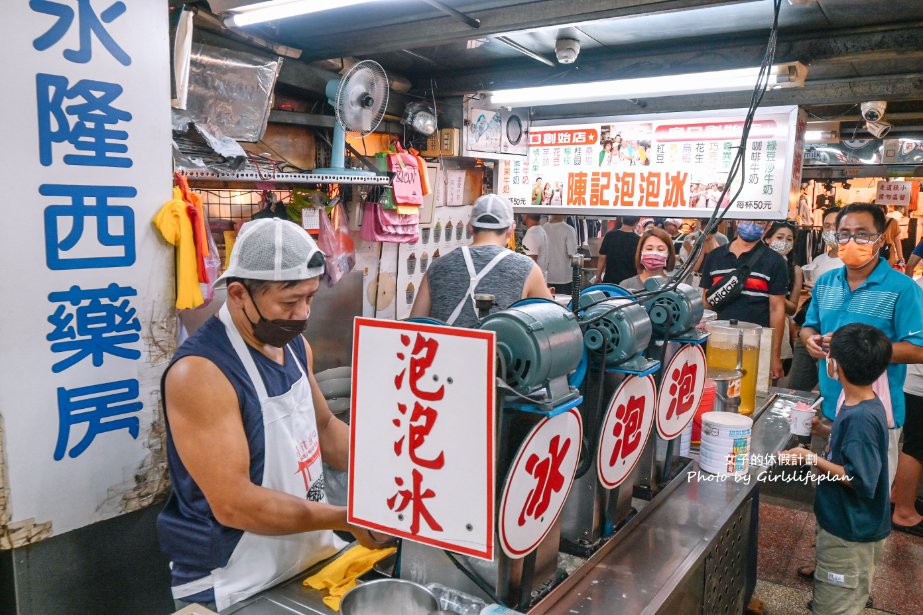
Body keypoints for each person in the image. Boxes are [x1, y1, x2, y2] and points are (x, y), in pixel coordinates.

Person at [158, 218, 390, 612]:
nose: (302, 315)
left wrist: (397, 473)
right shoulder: (201, 373)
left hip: (305, 557)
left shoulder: (296, 346)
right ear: (238, 294)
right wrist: (347, 517)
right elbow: (234, 503)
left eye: (310, 298)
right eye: (288, 302)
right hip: (234, 582)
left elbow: (326, 429)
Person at [801, 203, 923, 489]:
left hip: (877, 412)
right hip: (832, 406)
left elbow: (918, 349)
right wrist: (809, 340)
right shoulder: (825, 282)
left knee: (868, 492)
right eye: (843, 233)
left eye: (862, 234)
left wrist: (856, 348)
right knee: (831, 490)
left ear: (880, 239)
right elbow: (810, 326)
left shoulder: (903, 288)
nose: (851, 241)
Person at [779, 323, 892, 615]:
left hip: (850, 531)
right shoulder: (863, 402)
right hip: (849, 523)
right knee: (842, 590)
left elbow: (860, 478)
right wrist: (822, 430)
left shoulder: (860, 418)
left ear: (834, 365)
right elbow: (854, 448)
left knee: (837, 603)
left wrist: (810, 458)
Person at [411, 194, 551, 327]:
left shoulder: (437, 267)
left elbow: (413, 324)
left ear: (470, 227)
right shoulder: (526, 268)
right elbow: (553, 320)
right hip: (500, 351)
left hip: (444, 351)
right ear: (511, 229)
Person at [699, 219, 788, 380]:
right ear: (738, 221)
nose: (752, 225)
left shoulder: (775, 261)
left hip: (755, 342)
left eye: (760, 222)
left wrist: (775, 356)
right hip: (718, 341)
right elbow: (706, 303)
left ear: (767, 227)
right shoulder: (714, 257)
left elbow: (777, 309)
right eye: (748, 219)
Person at [787, 207, 841, 392]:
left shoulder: (851, 263)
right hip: (812, 329)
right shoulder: (819, 259)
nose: (830, 231)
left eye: (835, 226)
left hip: (835, 334)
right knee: (795, 388)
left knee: (832, 387)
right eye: (826, 226)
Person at [892, 277, 923, 536]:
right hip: (919, 382)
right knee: (916, 446)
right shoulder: (915, 287)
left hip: (913, 379)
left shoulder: (915, 285)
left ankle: (899, 495)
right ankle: (904, 511)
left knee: (913, 443)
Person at [763, 221, 803, 377]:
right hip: (754, 321)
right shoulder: (757, 263)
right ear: (768, 239)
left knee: (772, 375)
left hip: (779, 327)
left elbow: (793, 307)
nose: (784, 243)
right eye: (779, 237)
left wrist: (774, 294)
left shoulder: (795, 270)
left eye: (789, 239)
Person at [619, 227, 676, 292]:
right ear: (641, 252)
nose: (654, 253)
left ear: (668, 254)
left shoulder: (676, 286)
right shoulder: (626, 285)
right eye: (649, 249)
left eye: (660, 249)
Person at [597, 216, 641, 285]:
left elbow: (602, 258)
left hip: (610, 281)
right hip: (630, 283)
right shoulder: (638, 240)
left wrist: (598, 277)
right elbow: (638, 264)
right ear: (636, 223)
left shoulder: (610, 235)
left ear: (622, 219)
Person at [543, 214, 578, 295]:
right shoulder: (569, 229)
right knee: (563, 303)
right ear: (564, 215)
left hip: (547, 275)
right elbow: (571, 253)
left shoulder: (544, 227)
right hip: (563, 276)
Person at [521, 214, 549, 280]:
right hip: (541, 278)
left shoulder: (532, 234)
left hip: (534, 281)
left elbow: (530, 262)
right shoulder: (540, 230)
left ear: (526, 216)